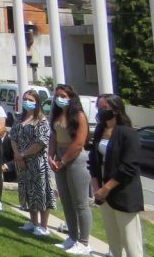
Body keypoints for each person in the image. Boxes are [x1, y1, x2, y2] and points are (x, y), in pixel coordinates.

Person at [90, 94, 144, 257]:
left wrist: (106, 188)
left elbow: (129, 167)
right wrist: (97, 188)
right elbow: (93, 160)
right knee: (113, 243)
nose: (100, 111)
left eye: (104, 108)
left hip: (123, 194)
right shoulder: (100, 130)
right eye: (98, 107)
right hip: (104, 195)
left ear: (116, 110)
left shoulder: (128, 133)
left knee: (131, 244)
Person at [49, 84, 93, 255]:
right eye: (57, 96)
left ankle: (84, 242)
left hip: (75, 159)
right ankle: (72, 237)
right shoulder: (57, 115)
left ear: (70, 97)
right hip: (59, 157)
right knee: (66, 201)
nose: (59, 99)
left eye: (62, 96)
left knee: (80, 203)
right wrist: (51, 156)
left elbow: (79, 143)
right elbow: (53, 136)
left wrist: (63, 161)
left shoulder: (79, 116)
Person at [9, 90, 55, 237]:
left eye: (30, 99)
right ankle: (33, 221)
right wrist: (18, 155)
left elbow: (41, 143)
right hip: (21, 163)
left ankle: (43, 226)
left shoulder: (42, 121)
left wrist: (23, 154)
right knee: (28, 192)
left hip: (37, 162)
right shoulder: (19, 119)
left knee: (40, 192)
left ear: (36, 102)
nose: (26, 102)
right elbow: (13, 138)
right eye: (24, 99)